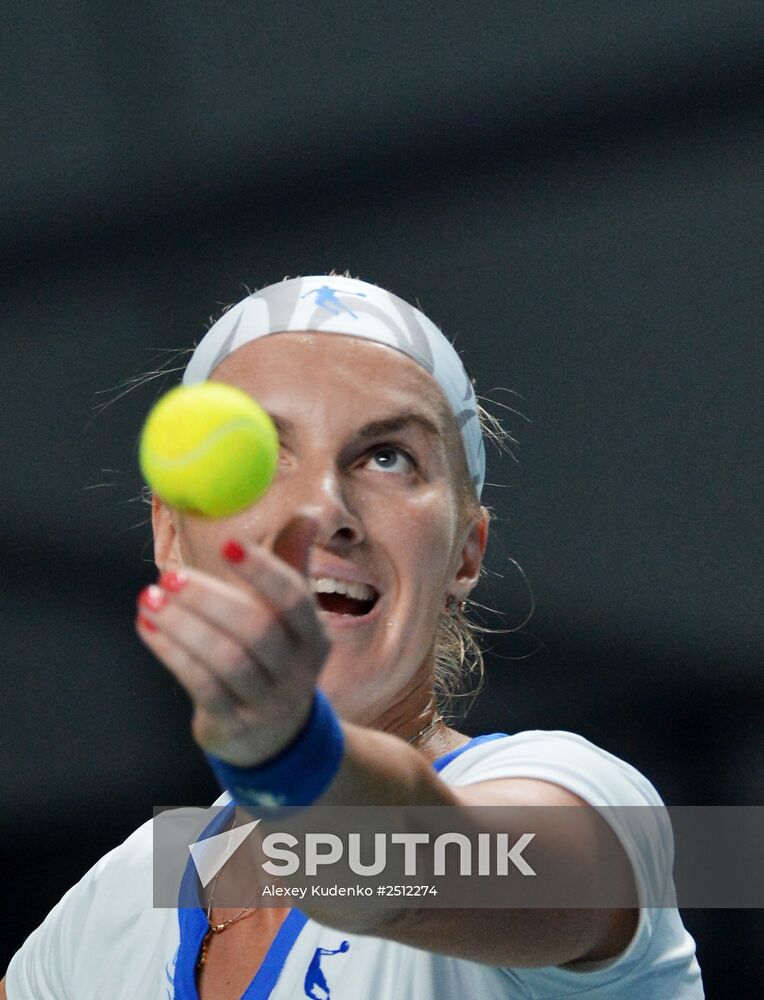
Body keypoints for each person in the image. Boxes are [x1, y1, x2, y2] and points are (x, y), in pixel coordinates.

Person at [2, 275, 704, 998]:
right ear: (171, 533)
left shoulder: (592, 803)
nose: (324, 506)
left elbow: (398, 873)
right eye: (262, 453)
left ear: (467, 551)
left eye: (387, 457)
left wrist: (289, 753)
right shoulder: (116, 904)